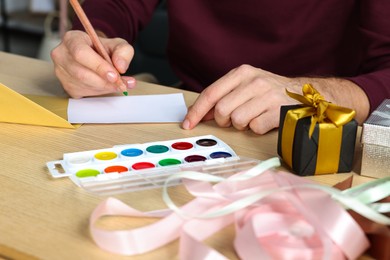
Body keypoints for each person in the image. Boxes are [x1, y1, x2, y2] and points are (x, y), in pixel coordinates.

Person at [51, 0, 390, 134]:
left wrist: (320, 94)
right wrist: (91, 42)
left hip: (323, 127)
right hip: (193, 110)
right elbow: (116, 6)